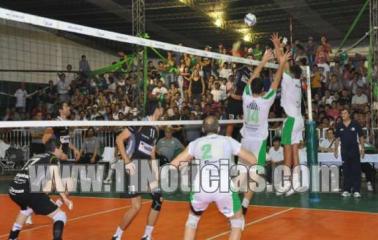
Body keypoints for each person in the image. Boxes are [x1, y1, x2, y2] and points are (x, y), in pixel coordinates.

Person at [170, 116, 258, 240]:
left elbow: (174, 165)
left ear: (202, 129)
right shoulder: (227, 140)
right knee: (236, 222)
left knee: (192, 220)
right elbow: (253, 160)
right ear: (218, 128)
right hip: (223, 188)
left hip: (200, 188)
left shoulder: (195, 143)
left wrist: (187, 165)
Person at [239, 34, 291, 214]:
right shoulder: (265, 100)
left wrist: (262, 61)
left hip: (245, 140)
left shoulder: (245, 95)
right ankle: (245, 204)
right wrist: (282, 62)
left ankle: (234, 198)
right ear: (262, 90)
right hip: (258, 142)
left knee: (242, 172)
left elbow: (253, 76)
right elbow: (276, 81)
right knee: (255, 174)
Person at [112, 103, 164, 240]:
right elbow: (119, 139)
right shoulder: (140, 123)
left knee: (158, 199)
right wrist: (127, 162)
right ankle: (117, 236)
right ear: (156, 109)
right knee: (136, 206)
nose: (163, 110)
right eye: (161, 107)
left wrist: (155, 174)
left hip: (145, 167)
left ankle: (147, 235)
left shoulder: (157, 129)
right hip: (134, 165)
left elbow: (152, 153)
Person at [7, 140, 72, 240]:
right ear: (56, 149)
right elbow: (56, 179)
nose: (62, 151)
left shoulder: (37, 156)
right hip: (28, 191)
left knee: (26, 210)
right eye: (61, 149)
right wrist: (65, 199)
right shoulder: (53, 159)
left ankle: (12, 238)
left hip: (14, 189)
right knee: (60, 216)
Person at [271, 33, 305, 196]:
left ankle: (286, 184)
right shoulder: (298, 81)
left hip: (291, 121)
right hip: (299, 119)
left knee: (288, 154)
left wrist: (278, 45)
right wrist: (282, 49)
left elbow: (281, 61)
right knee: (295, 153)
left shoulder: (290, 79)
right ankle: (296, 184)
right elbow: (284, 63)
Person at [334, 108, 365, 198]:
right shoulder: (339, 125)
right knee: (346, 170)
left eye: (344, 113)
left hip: (354, 150)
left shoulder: (355, 123)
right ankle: (347, 189)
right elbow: (337, 138)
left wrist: (362, 148)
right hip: (344, 151)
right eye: (342, 113)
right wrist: (336, 150)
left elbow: (361, 136)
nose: (342, 115)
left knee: (356, 170)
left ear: (349, 114)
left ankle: (356, 190)